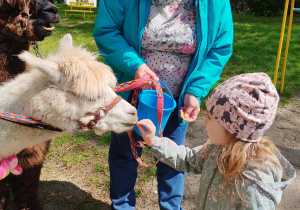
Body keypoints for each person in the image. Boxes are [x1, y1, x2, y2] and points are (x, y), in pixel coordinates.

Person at [93, 0, 233, 209]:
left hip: (178, 102)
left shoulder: (215, 3)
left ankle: (170, 207)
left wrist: (195, 90)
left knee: (174, 159)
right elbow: (107, 31)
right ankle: (122, 205)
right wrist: (136, 66)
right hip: (132, 96)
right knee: (125, 154)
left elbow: (219, 48)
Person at [137, 72, 296, 209]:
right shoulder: (217, 149)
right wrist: (154, 141)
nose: (204, 121)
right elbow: (187, 159)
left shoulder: (254, 187)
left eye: (210, 117)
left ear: (232, 129)